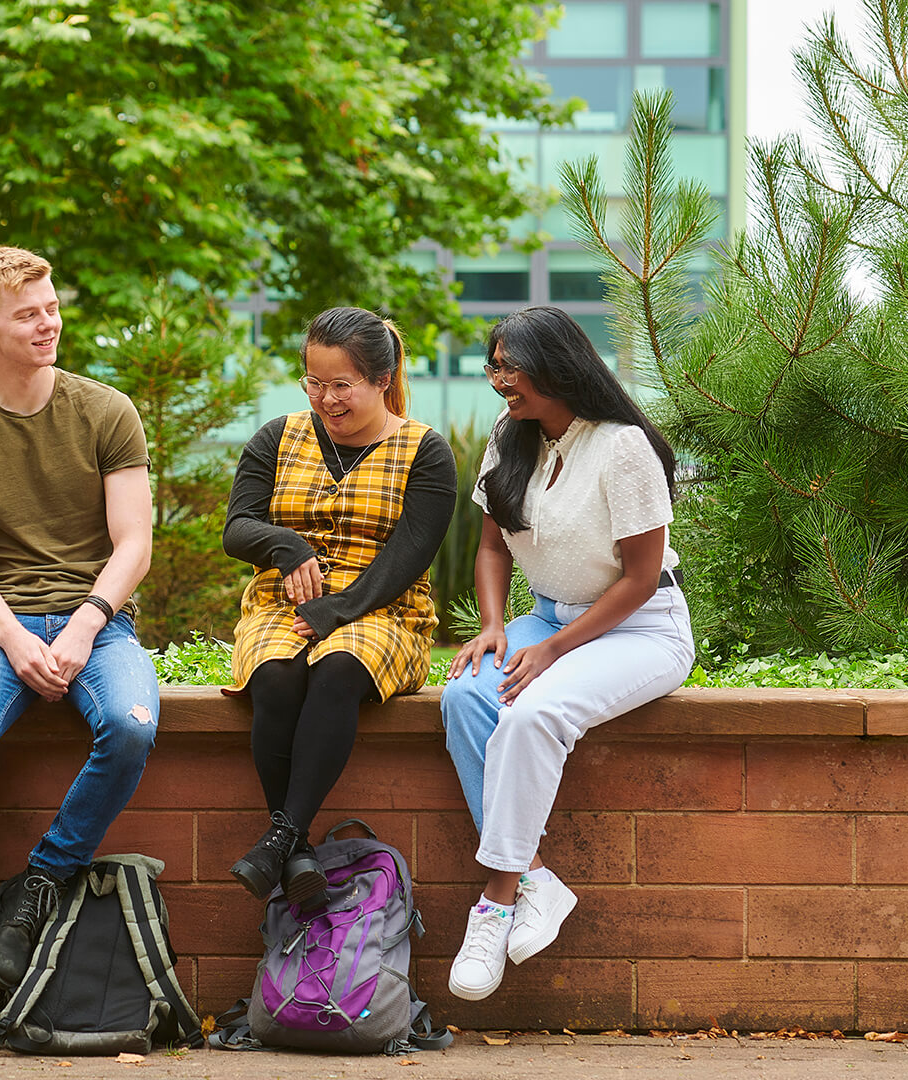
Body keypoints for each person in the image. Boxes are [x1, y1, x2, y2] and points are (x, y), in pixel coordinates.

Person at [0, 246, 160, 1042]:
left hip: (99, 620)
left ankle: (38, 889)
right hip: (0, 626)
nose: (48, 323)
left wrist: (89, 621)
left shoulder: (106, 411)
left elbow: (134, 544)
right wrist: (13, 635)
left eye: (52, 308)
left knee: (129, 726)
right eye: (29, 314)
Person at [440, 306, 694, 1002]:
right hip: (549, 616)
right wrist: (496, 627)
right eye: (493, 365)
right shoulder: (511, 438)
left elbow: (641, 580)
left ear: (558, 367)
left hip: (642, 627)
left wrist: (549, 651)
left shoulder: (622, 448)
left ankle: (493, 904)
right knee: (465, 695)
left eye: (508, 366)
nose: (498, 380)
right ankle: (536, 881)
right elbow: (493, 545)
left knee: (530, 715)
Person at [222, 307, 457, 905]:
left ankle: (279, 839)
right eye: (315, 383)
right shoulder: (277, 437)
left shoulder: (424, 452)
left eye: (342, 385)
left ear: (383, 379)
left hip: (385, 611)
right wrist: (284, 544)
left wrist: (340, 609)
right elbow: (237, 528)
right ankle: (293, 848)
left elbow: (409, 555)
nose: (327, 399)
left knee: (336, 671)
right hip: (282, 603)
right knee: (274, 677)